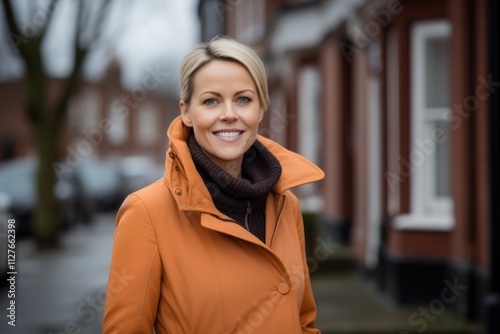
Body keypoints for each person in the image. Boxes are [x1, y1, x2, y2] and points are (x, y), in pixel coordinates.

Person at [103, 36, 324, 334]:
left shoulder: (286, 204)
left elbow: (304, 321)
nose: (229, 113)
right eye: (211, 101)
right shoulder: (147, 212)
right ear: (186, 112)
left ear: (260, 110)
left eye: (244, 99)